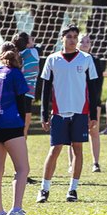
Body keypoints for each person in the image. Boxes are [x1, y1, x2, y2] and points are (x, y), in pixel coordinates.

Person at [37, 24, 98, 203]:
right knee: (55, 149)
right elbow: (45, 89)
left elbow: (92, 89)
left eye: (75, 37)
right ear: (62, 38)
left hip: (80, 112)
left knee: (77, 148)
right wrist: (44, 114)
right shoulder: (52, 59)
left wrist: (93, 115)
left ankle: (73, 189)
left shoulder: (86, 59)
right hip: (59, 112)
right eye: (69, 36)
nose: (72, 40)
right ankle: (44, 189)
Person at [0, 43, 34, 215]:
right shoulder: (15, 73)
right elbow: (22, 102)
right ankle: (16, 210)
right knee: (22, 168)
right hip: (10, 124)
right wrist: (23, 127)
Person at [79, 32, 106, 172]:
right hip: (76, 101)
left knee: (93, 130)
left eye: (87, 42)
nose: (85, 44)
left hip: (93, 101)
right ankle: (72, 164)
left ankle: (95, 163)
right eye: (82, 41)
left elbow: (98, 84)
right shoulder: (72, 59)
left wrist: (94, 103)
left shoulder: (95, 61)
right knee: (75, 133)